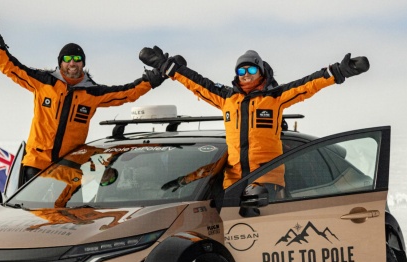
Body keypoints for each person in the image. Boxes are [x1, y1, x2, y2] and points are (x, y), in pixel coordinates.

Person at [139, 46, 370, 195]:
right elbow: (196, 82)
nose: (246, 75)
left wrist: (339, 72)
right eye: (241, 71)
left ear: (261, 72)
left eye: (250, 69)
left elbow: (308, 84)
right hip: (233, 183)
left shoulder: (275, 97)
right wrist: (166, 66)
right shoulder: (227, 98)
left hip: (267, 182)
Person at [0, 10, 164, 183]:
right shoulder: (43, 82)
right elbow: (11, 68)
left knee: (74, 203)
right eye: (67, 59)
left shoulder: (92, 93)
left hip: (70, 164)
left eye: (77, 59)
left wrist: (150, 81)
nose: (72, 63)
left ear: (83, 64)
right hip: (37, 165)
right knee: (33, 209)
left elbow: (126, 93)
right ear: (60, 63)